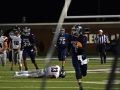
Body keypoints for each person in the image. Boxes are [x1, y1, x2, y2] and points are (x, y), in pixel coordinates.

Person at [67, 24, 88, 90]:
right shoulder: (70, 37)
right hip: (75, 56)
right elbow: (69, 45)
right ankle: (80, 85)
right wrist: (68, 51)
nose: (73, 31)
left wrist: (78, 46)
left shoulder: (83, 37)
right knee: (77, 70)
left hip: (82, 56)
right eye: (73, 30)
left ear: (79, 30)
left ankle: (81, 74)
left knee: (84, 73)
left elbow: (84, 48)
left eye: (75, 30)